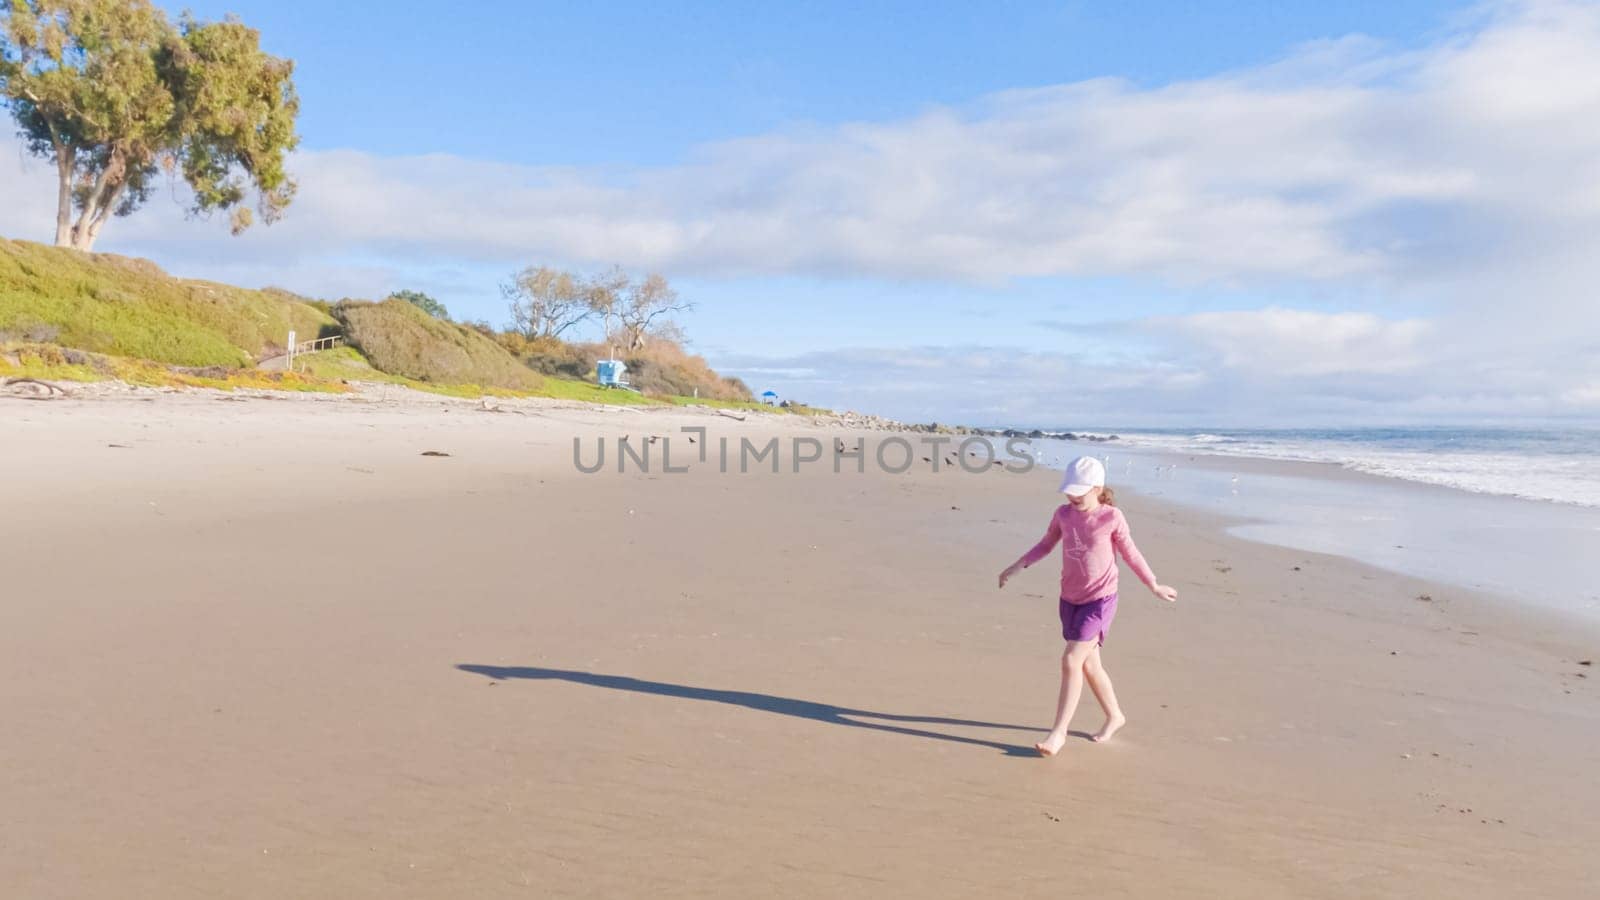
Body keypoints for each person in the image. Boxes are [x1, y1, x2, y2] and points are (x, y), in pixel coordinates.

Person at [998, 455, 1178, 756]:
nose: (1073, 496)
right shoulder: (1063, 515)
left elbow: (1131, 554)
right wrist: (1018, 566)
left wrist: (1154, 585)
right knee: (1090, 665)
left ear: (1097, 487)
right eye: (1070, 490)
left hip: (1100, 599)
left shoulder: (1111, 517)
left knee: (1071, 661)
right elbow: (1046, 544)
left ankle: (1058, 734)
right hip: (1069, 598)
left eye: (1079, 490)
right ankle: (1115, 715)